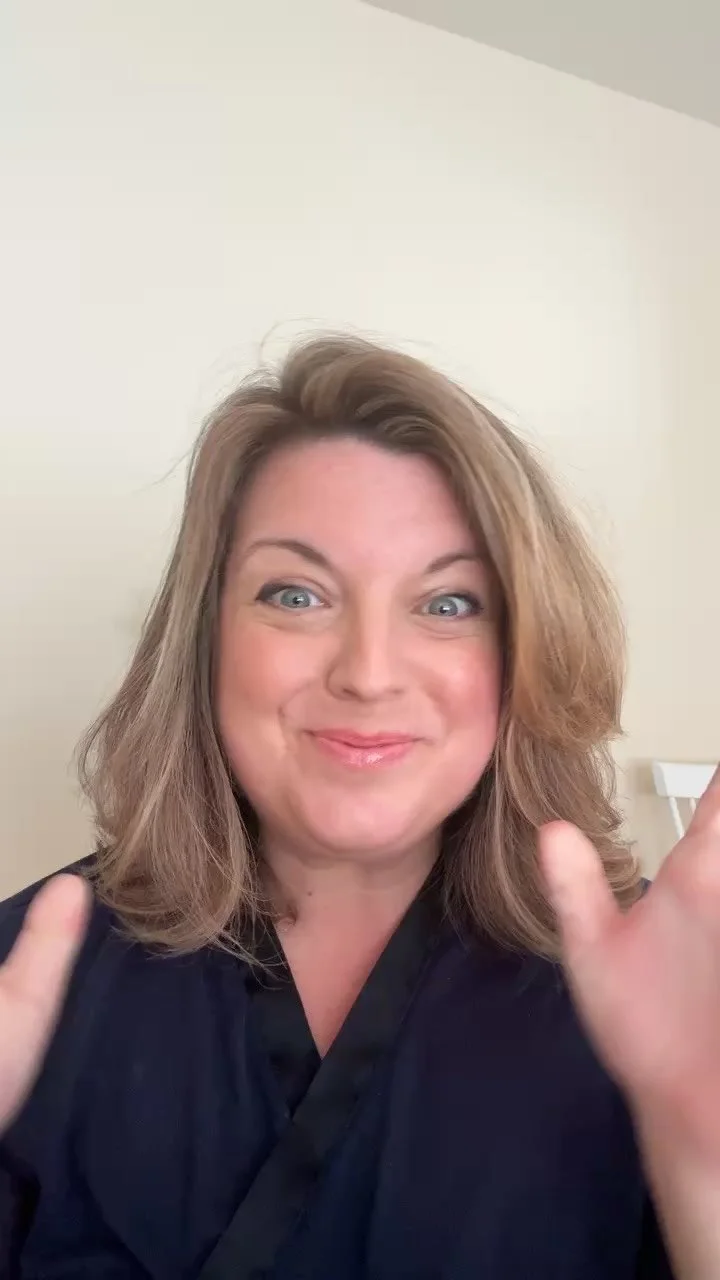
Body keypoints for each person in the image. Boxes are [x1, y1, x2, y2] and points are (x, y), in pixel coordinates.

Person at [0, 335, 718, 1280]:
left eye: (449, 603)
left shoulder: (667, 999)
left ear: (525, 657)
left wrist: (700, 1165)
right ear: (205, 640)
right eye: (296, 595)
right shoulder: (24, 984)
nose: (369, 674)